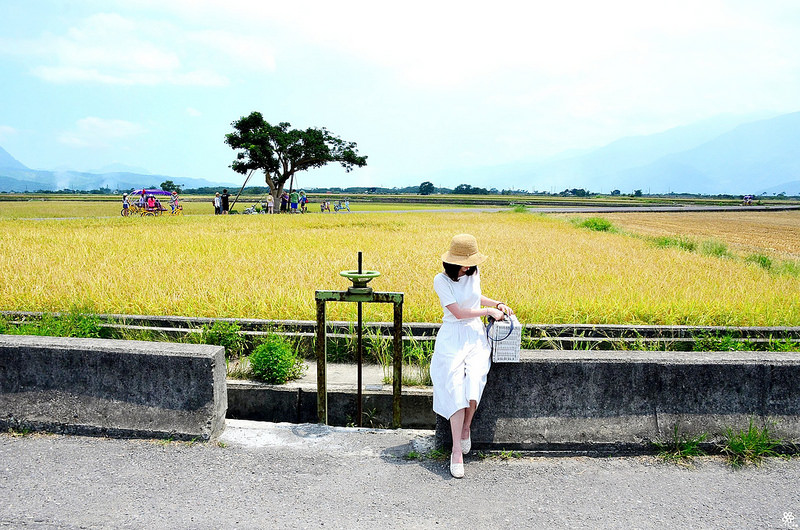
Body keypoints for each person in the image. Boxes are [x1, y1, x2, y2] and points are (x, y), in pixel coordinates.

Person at [431, 234, 513, 479]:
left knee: (475, 377)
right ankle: (456, 450)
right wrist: (487, 311)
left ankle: (466, 427)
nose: (468, 266)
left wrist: (497, 303)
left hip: (475, 335)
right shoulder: (441, 280)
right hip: (453, 335)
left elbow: (476, 297)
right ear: (452, 262)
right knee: (455, 383)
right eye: (464, 262)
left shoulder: (474, 273)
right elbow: (457, 312)